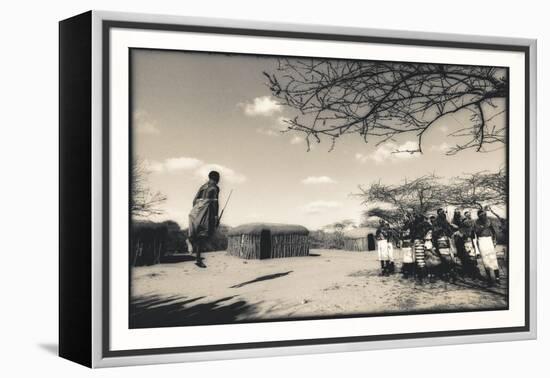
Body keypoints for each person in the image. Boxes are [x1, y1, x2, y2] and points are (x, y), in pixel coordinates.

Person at [188, 170, 220, 268]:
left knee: (197, 233)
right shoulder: (215, 187)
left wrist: (197, 209)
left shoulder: (203, 186)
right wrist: (215, 217)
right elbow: (215, 202)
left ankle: (190, 240)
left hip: (195, 210)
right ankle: (197, 259)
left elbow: (194, 200)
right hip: (205, 210)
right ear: (217, 178)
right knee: (204, 234)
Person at [474, 209, 500, 285]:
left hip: (489, 240)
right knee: (485, 260)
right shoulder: (476, 223)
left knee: (493, 259)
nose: (483, 215)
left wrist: (495, 240)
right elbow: (476, 232)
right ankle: (489, 279)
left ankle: (497, 278)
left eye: (484, 214)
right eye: (481, 214)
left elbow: (493, 231)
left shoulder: (489, 221)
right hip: (481, 240)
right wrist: (483, 227)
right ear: (478, 215)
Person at [432, 208, 457, 281]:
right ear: (438, 213)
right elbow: (435, 231)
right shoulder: (436, 221)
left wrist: (452, 228)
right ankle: (445, 273)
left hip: (448, 239)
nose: (443, 213)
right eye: (441, 212)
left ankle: (450, 272)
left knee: (451, 255)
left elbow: (449, 228)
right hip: (441, 240)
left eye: (443, 212)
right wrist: (441, 229)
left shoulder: (445, 221)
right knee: (444, 257)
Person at [460, 211, 478, 279]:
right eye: (466, 216)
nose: (467, 221)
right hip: (465, 243)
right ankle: (468, 272)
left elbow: (474, 235)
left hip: (472, 242)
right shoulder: (462, 229)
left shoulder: (473, 225)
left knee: (473, 257)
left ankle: (474, 273)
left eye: (469, 215)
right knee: (467, 258)